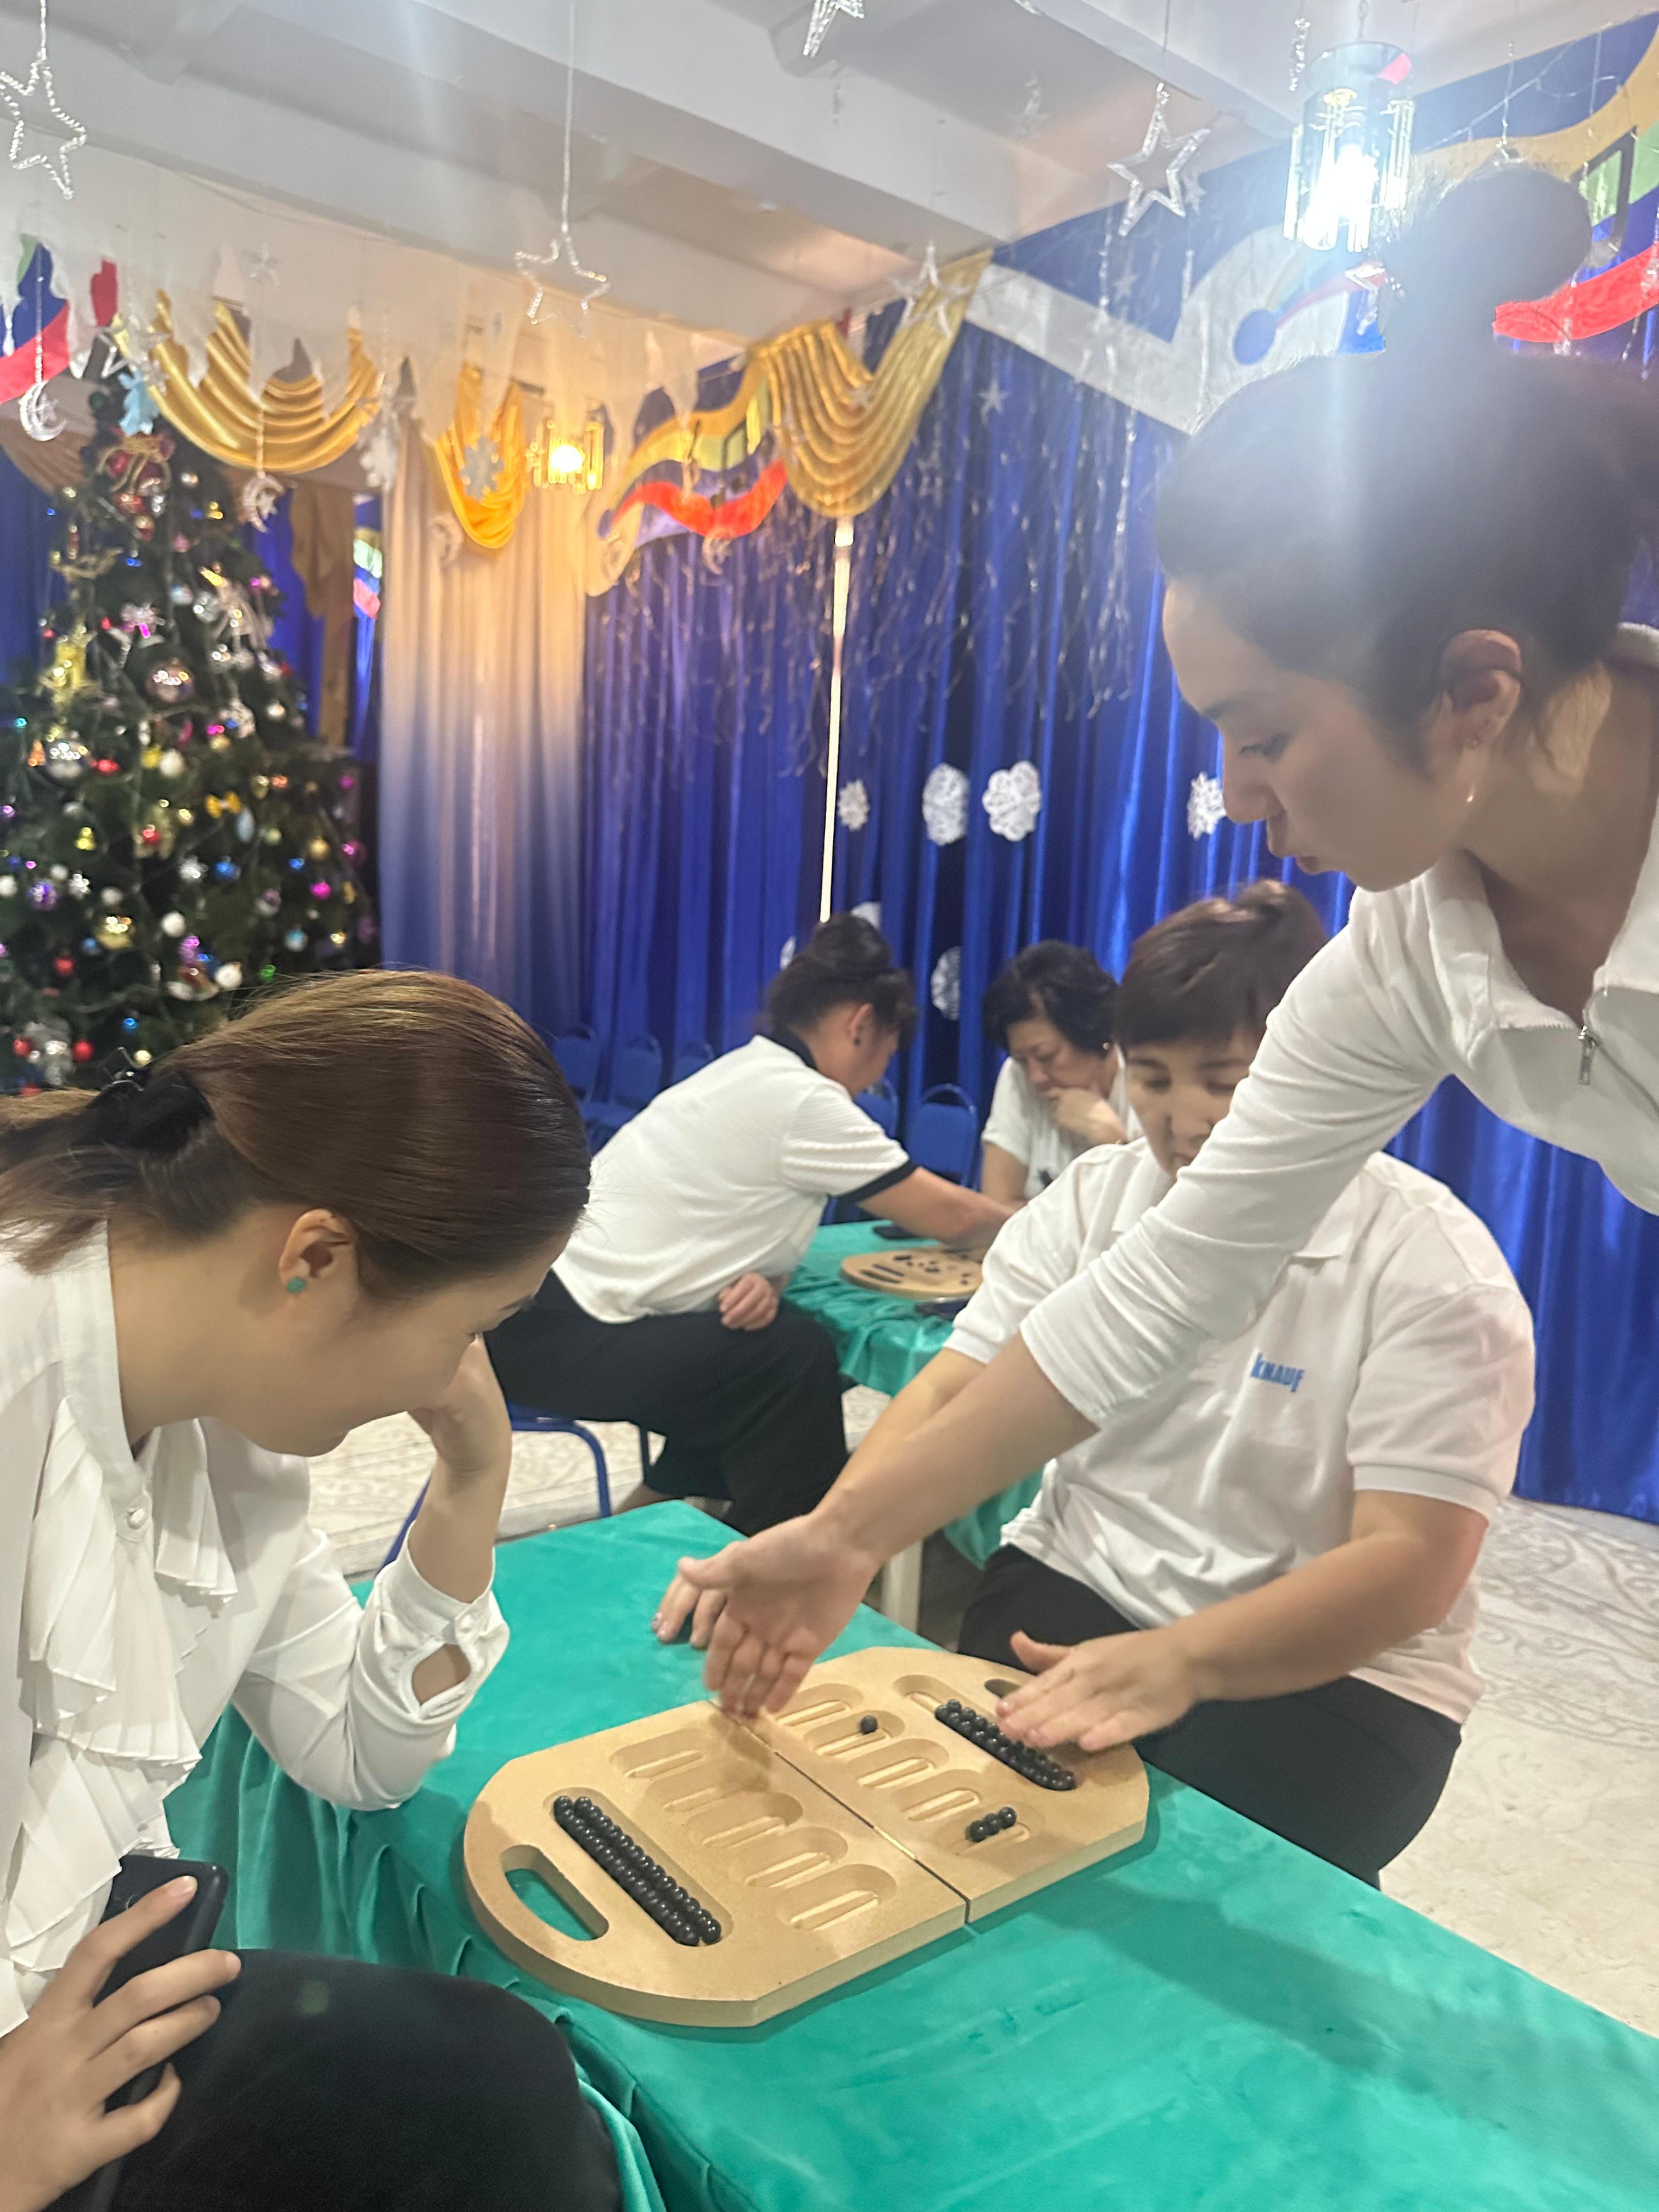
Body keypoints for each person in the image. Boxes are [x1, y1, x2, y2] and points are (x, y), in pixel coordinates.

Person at [653, 163, 1659, 1740]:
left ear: (1475, 692)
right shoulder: (1410, 950)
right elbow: (1170, 1282)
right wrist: (847, 1535)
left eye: (1267, 735)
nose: (1240, 798)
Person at [0, 971, 621, 2212]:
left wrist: (473, 1478)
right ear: (317, 1258)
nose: (456, 1373)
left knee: (504, 2083)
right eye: (473, 1324)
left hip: (78, 1987)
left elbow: (359, 1751)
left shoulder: (222, 1425)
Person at [828, 886, 1528, 1883]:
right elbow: (952, 1391)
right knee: (980, 1832)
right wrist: (834, 1538)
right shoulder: (1093, 1200)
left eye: (1224, 1082)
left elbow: (1410, 1564)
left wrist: (1185, 1659)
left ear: (1318, 1067)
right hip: (1085, 1573)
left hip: (1345, 1664)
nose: (1181, 1119)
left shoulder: (1431, 1269)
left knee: (1182, 1874)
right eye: (1151, 1079)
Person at [489, 916, 1014, 1535]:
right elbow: (952, 1216)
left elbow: (722, 1214)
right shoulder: (806, 1098)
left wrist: (766, 1279)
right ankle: (784, 1549)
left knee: (751, 1358)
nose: (877, 1076)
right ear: (860, 1025)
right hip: (560, 1336)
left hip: (527, 1310)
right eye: (886, 1054)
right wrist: (1048, 1221)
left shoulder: (745, 1069)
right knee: (793, 1359)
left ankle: (648, 1527)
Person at [979, 941, 1132, 1202]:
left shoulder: (1146, 1077)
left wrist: (1113, 1142)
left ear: (1093, 1035)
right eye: (1021, 1059)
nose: (1035, 1076)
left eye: (1046, 1056)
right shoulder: (1017, 1074)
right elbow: (998, 1204)